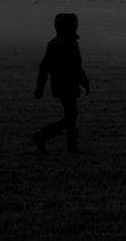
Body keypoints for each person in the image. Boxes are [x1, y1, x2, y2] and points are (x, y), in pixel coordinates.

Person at [33, 12, 90, 154]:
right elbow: (76, 67)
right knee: (71, 115)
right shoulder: (71, 43)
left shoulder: (52, 43)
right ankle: (42, 137)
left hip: (58, 84)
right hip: (69, 84)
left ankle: (71, 148)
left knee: (71, 115)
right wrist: (85, 83)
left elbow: (44, 66)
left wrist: (40, 86)